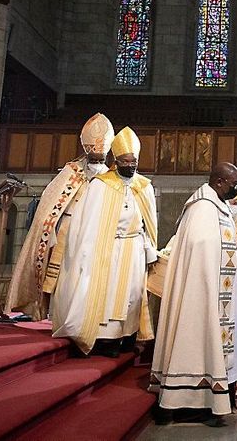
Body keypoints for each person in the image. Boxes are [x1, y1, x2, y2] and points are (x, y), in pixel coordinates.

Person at [150, 163, 237, 427]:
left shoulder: (217, 206)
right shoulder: (203, 208)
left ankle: (206, 402)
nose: (235, 189)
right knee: (193, 343)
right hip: (200, 295)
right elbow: (201, 251)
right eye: (233, 183)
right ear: (219, 182)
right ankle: (185, 402)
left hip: (216, 294)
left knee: (209, 346)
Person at [51, 126, 159, 356]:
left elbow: (148, 225)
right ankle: (106, 340)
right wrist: (87, 254)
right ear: (116, 160)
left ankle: (127, 338)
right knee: (108, 296)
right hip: (108, 250)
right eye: (126, 162)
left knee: (132, 297)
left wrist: (150, 249)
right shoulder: (101, 185)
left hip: (134, 251)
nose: (130, 166)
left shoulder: (144, 186)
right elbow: (87, 225)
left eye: (134, 162)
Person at [6, 113, 114, 320]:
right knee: (66, 278)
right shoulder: (70, 173)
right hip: (69, 232)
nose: (98, 159)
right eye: (94, 155)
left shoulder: (111, 178)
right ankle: (59, 316)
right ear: (86, 149)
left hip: (100, 234)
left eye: (101, 156)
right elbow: (48, 209)